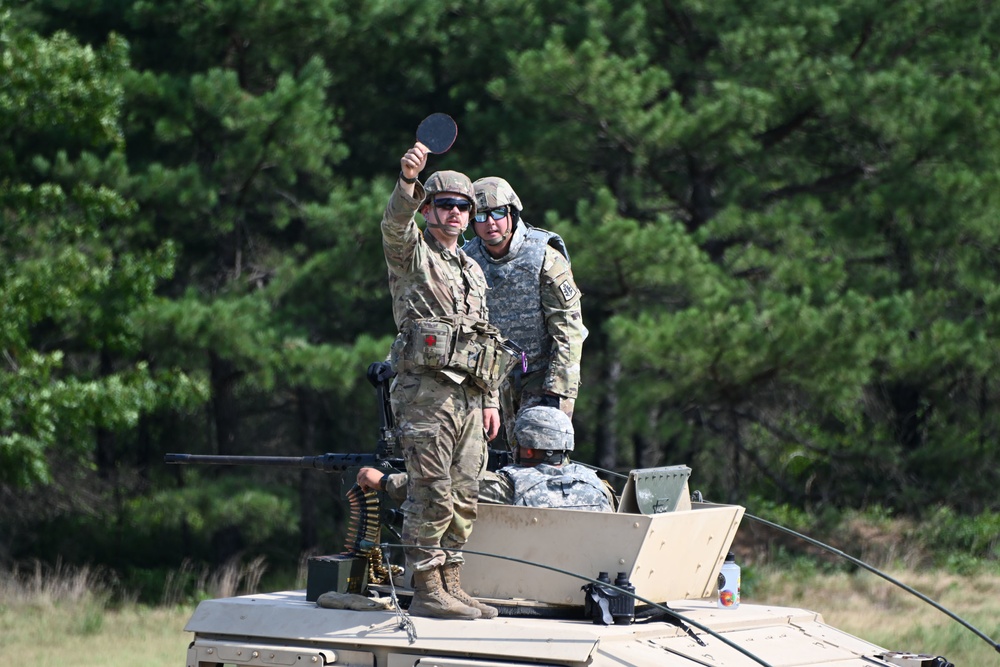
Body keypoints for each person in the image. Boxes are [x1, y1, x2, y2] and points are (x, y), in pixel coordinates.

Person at [379, 141, 517, 621]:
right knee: (430, 490)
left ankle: (451, 582)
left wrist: (491, 400)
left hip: (469, 398)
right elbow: (394, 226)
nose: (456, 214)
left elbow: (483, 339)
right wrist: (408, 182)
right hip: (426, 396)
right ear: (429, 208)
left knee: (465, 494)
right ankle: (426, 587)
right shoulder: (415, 254)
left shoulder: (472, 270)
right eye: (445, 205)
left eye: (464, 207)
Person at [462, 177, 587, 451]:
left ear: (512, 213)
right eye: (480, 216)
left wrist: (556, 393)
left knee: (542, 456)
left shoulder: (544, 256)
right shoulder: (467, 259)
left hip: (544, 375)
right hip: (493, 380)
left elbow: (568, 330)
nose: (490, 222)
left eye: (498, 213)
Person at [359, 406, 614, 512]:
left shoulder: (508, 487)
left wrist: (383, 480)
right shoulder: (600, 487)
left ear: (527, 450)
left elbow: (438, 489)